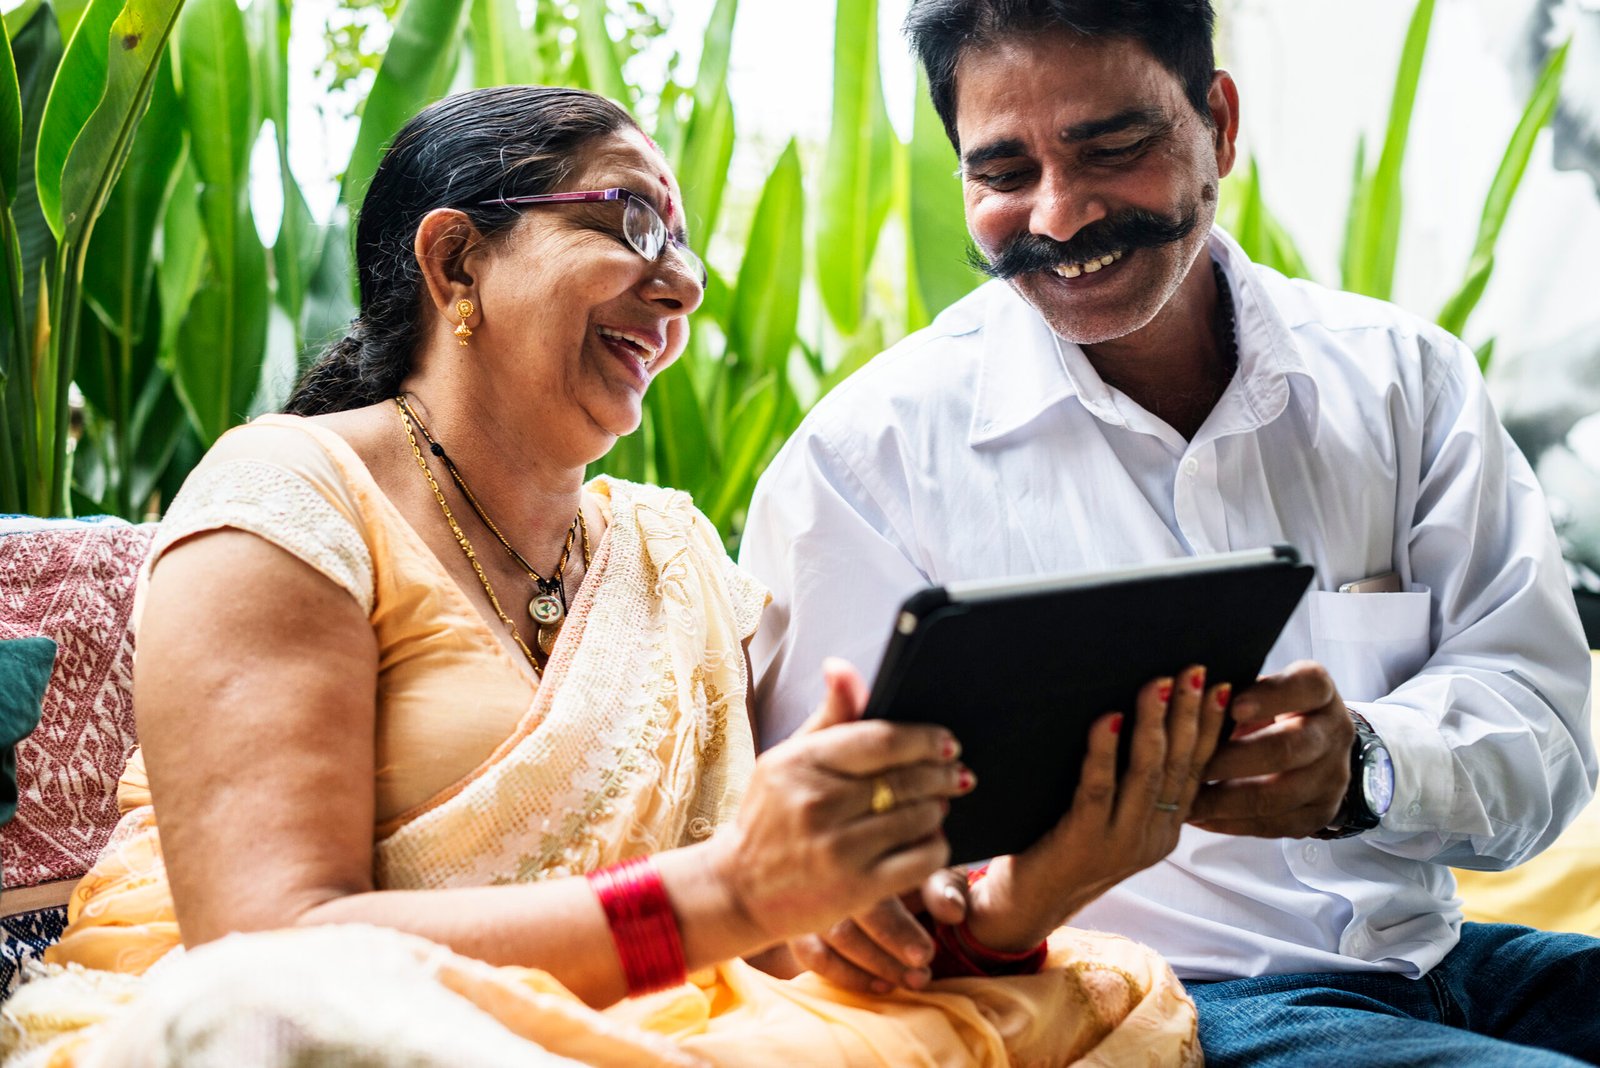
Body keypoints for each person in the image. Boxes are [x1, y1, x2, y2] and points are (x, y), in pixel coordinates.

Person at [0, 85, 1207, 1067]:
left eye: (679, 245)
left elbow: (776, 944)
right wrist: (729, 894)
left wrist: (1007, 908)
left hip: (627, 1023)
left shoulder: (669, 550)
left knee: (1101, 988)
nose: (678, 282)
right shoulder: (290, 495)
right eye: (630, 221)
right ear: (456, 261)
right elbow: (268, 945)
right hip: (304, 1027)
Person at [740, 3, 1600, 1066]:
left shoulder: (1403, 383)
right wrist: (890, 896)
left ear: (1218, 125)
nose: (1057, 216)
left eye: (1114, 147)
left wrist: (1365, 766)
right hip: (1162, 1007)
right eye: (1003, 174)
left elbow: (1545, 738)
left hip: (1442, 961)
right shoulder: (865, 461)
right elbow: (827, 869)